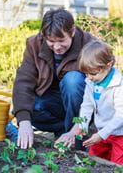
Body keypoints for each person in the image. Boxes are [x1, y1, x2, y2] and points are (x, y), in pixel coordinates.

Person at [12, 8, 94, 149]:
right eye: (51, 41)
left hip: (81, 109)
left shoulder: (89, 44)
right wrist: (24, 121)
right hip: (54, 104)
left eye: (62, 40)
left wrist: (77, 127)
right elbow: (23, 81)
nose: (57, 47)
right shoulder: (34, 44)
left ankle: (78, 136)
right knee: (32, 107)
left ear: (72, 31)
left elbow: (98, 92)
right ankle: (63, 131)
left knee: (72, 81)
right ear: (44, 35)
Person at [56, 40, 123, 164]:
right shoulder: (91, 82)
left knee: (117, 165)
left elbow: (120, 116)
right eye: (85, 73)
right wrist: (82, 126)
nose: (89, 77)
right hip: (101, 132)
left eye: (92, 73)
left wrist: (102, 134)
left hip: (119, 134)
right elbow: (86, 106)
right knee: (92, 159)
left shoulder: (118, 86)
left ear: (108, 65)